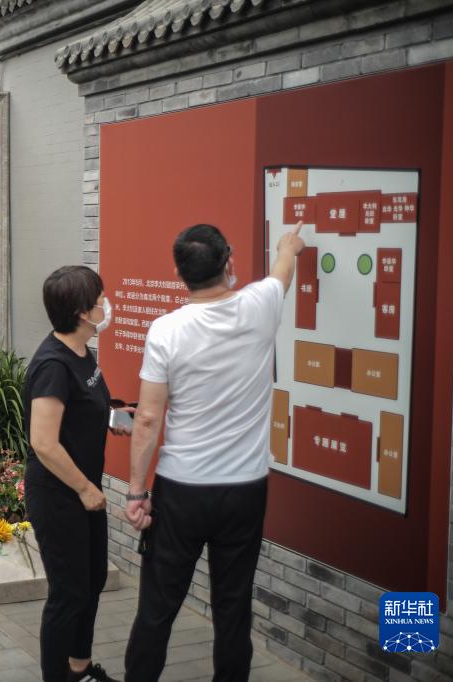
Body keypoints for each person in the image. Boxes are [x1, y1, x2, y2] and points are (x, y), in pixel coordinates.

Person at [122, 222, 305, 680]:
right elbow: (283, 269)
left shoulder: (166, 330)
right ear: (229, 262)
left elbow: (148, 418)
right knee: (233, 606)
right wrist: (289, 245)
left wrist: (137, 492)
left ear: (179, 273)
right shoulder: (261, 304)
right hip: (245, 489)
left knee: (157, 607)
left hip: (182, 490)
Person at [24, 265, 129, 682]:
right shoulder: (53, 364)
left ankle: (80, 670)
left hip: (84, 490)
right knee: (68, 594)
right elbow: (44, 442)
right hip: (59, 494)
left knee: (92, 580)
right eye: (101, 299)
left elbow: (84, 406)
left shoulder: (83, 353)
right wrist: (85, 488)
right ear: (84, 313)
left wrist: (116, 415)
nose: (107, 305)